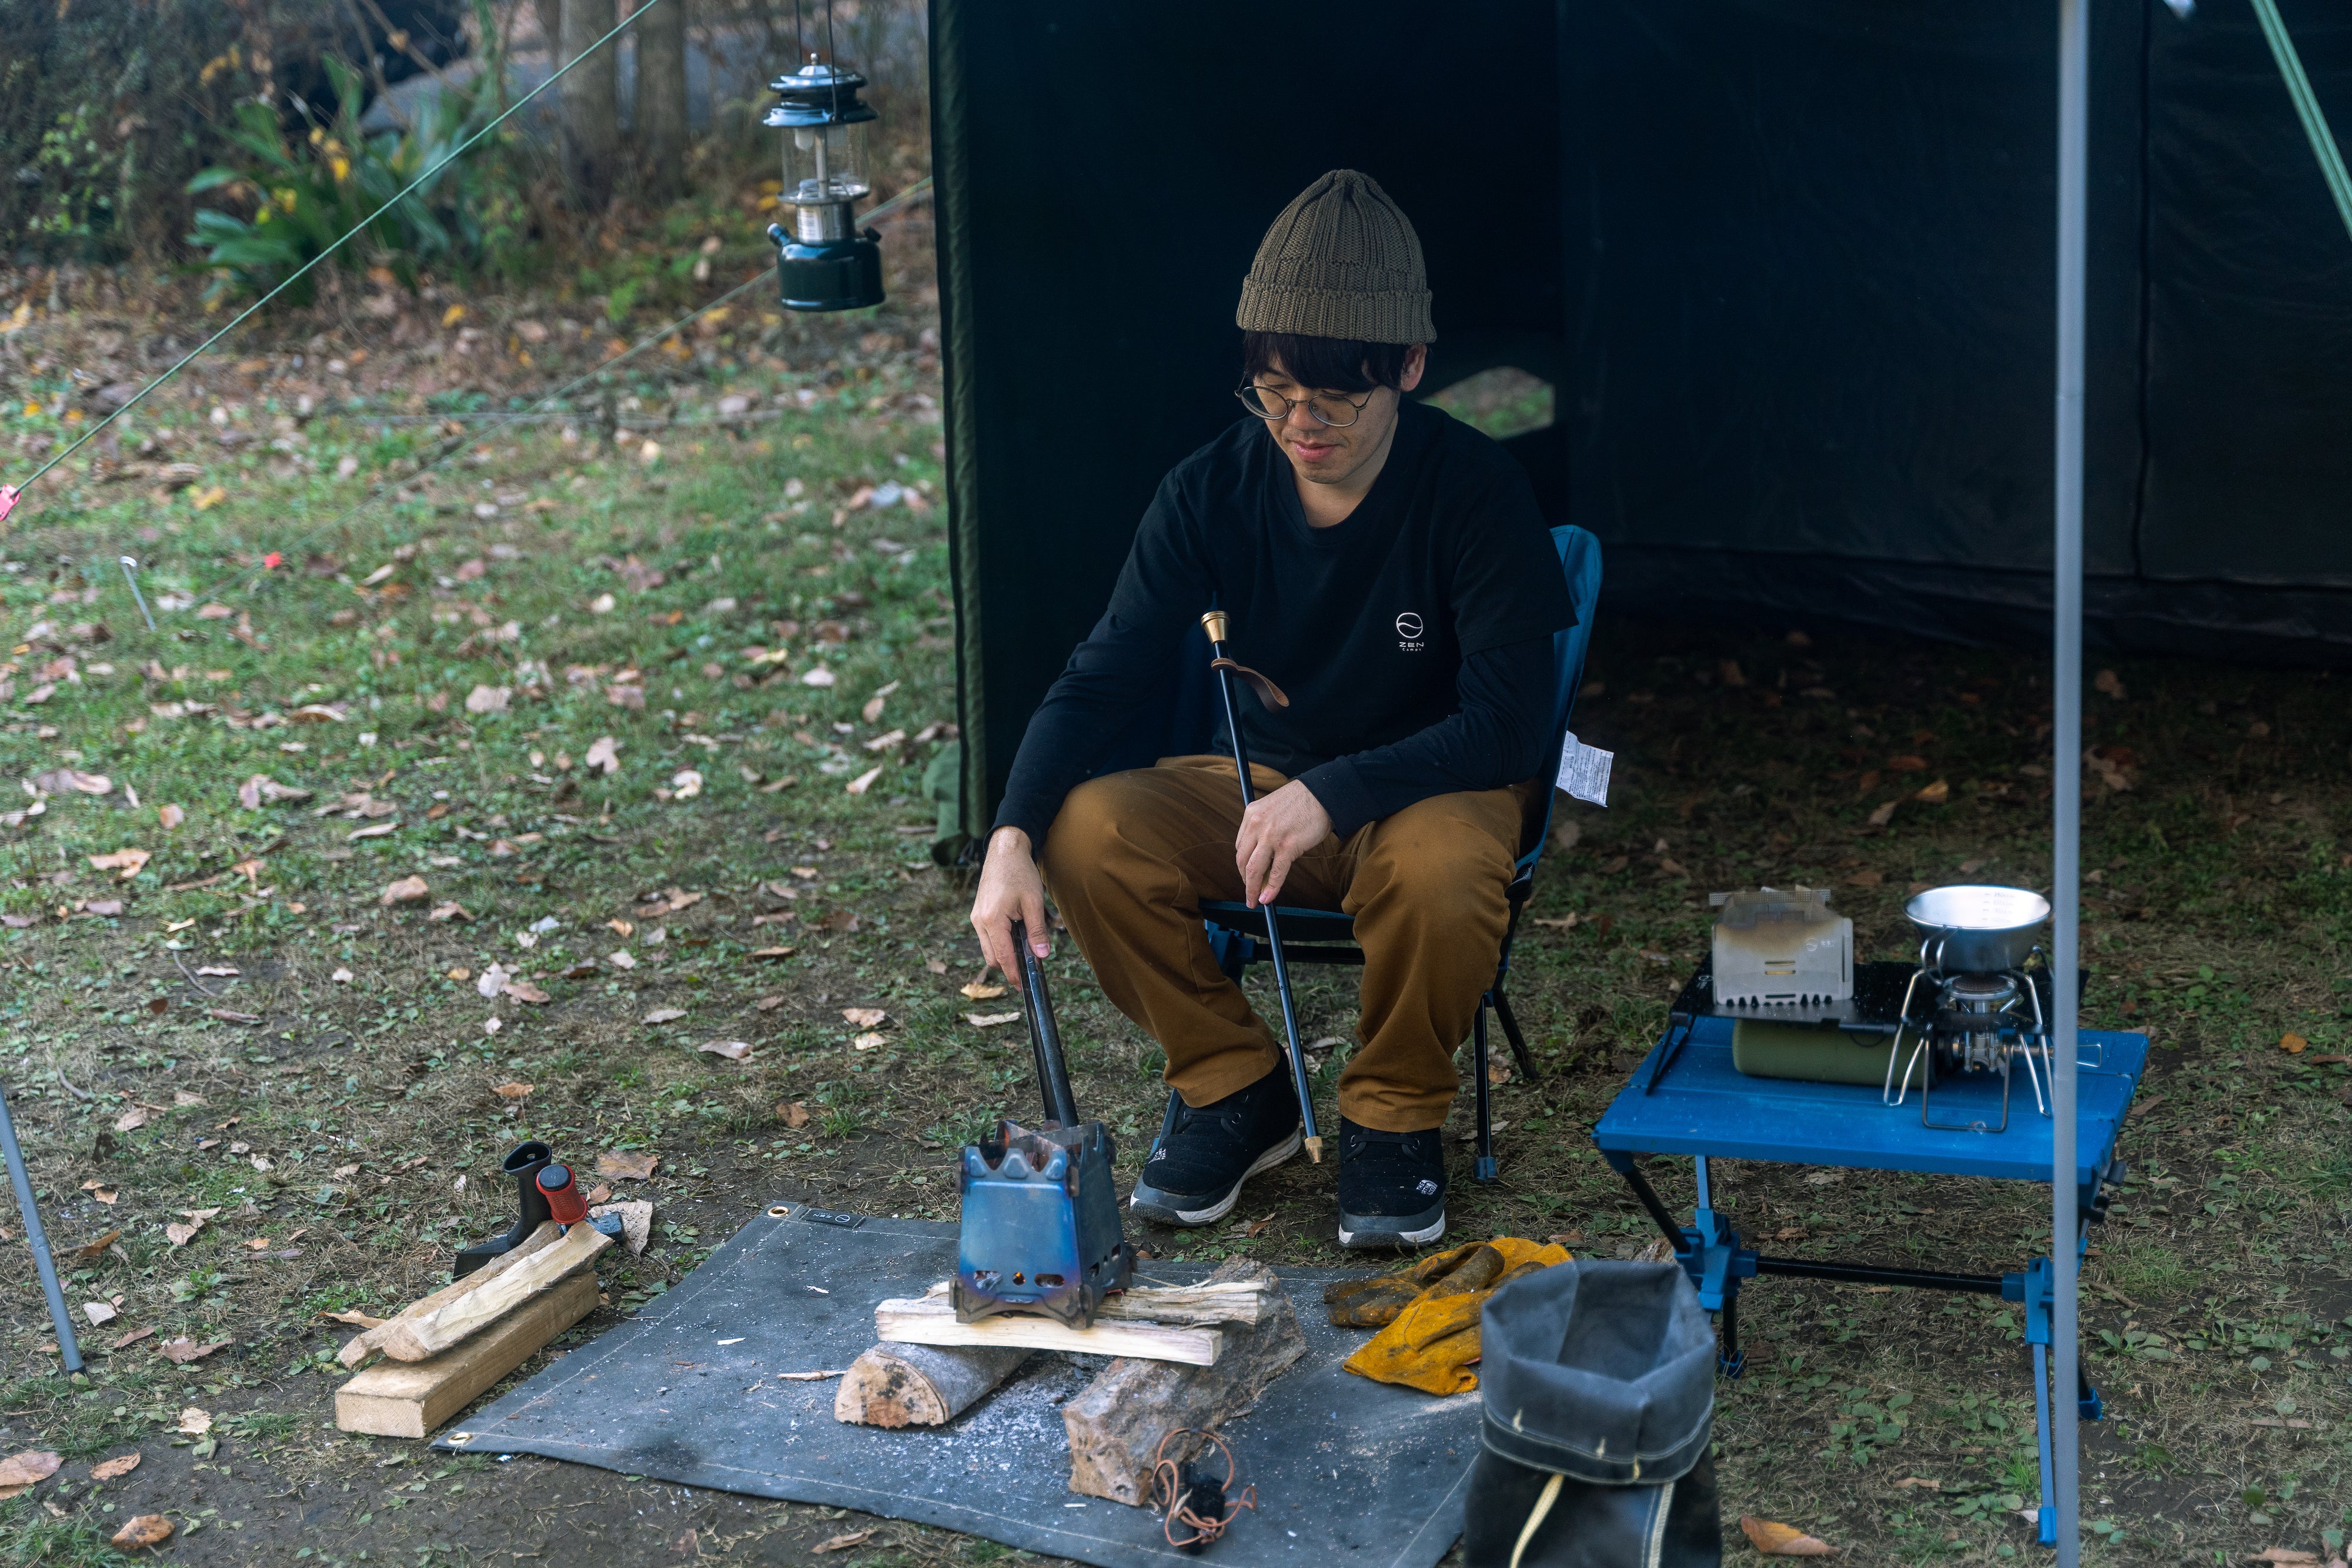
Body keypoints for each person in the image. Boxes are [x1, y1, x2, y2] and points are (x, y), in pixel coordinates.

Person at [968, 170, 1576, 1248]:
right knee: (1084, 829)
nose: (1303, 424)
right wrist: (1009, 837)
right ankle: (1236, 1086)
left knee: (1438, 872)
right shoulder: (1209, 490)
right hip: (1258, 790)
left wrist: (1334, 795)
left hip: (1438, 786)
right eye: (1276, 393)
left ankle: (1393, 1115)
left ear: (1412, 369)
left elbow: (1513, 727)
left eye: (1336, 400)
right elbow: (1102, 673)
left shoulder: (1475, 494)